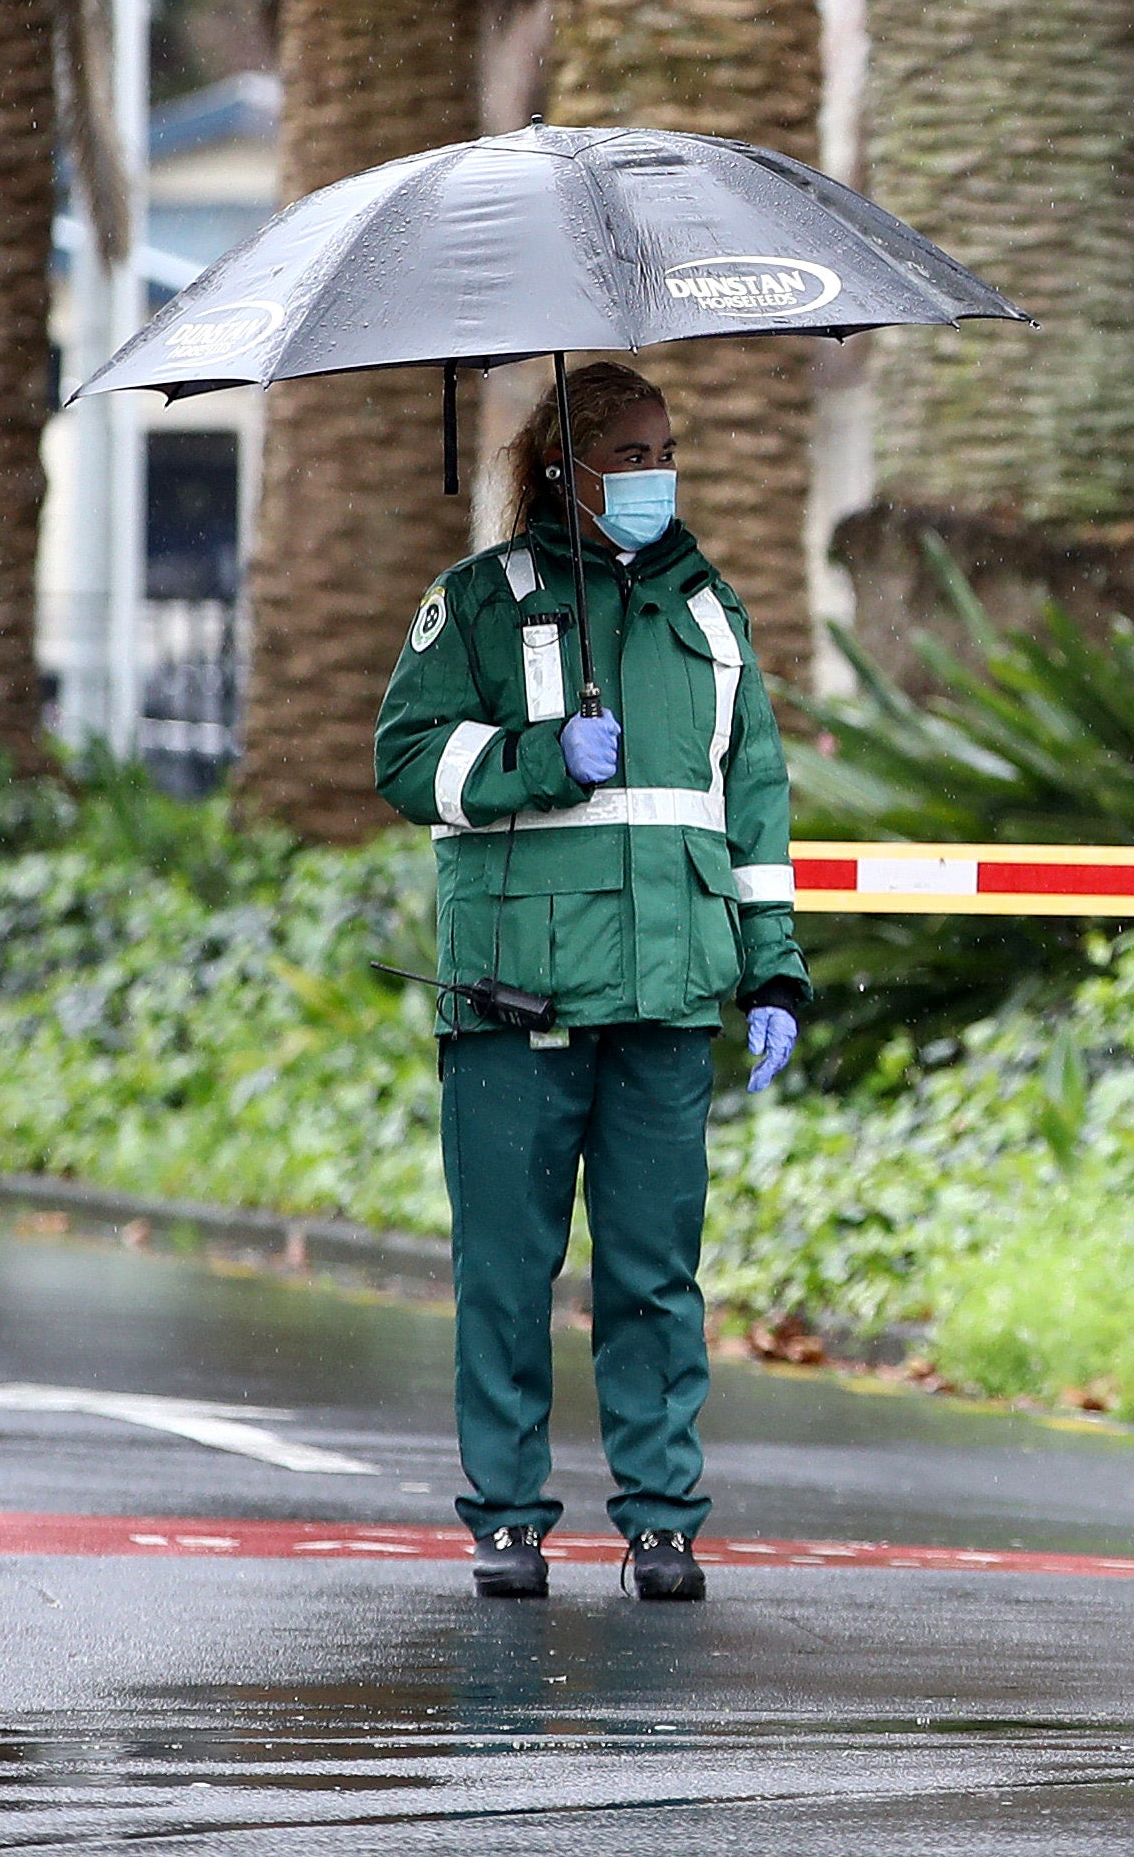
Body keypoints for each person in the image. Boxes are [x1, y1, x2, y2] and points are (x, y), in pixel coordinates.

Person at [374, 358, 807, 1601]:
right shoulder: (481, 603)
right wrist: (534, 755)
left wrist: (772, 976)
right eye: (628, 455)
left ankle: (663, 1519)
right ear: (561, 469)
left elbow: (755, 808)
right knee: (507, 1272)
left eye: (667, 451)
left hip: (668, 998)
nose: (655, 476)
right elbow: (405, 762)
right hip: (521, 1001)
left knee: (655, 1276)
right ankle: (507, 1519)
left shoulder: (708, 615)